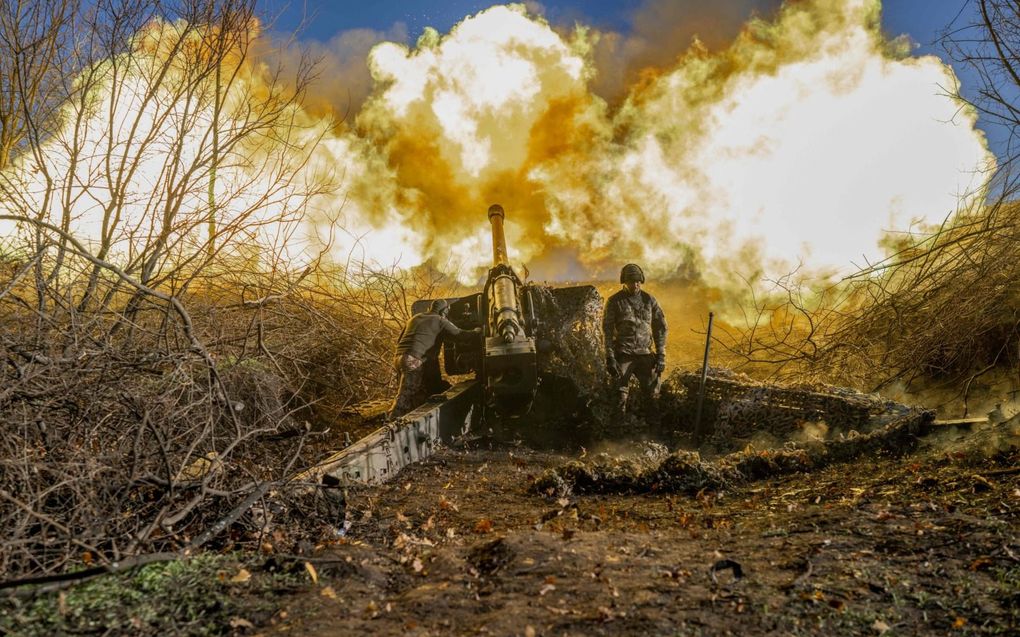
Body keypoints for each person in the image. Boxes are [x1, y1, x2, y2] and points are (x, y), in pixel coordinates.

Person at [387, 299, 479, 420]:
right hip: (413, 359)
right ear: (443, 311)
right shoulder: (440, 320)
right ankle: (391, 421)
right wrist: (476, 332)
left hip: (399, 358)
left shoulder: (415, 317)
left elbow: (401, 339)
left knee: (418, 392)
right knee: (408, 392)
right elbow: (460, 335)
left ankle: (406, 419)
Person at [603, 263, 668, 419]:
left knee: (653, 395)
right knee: (620, 396)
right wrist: (610, 357)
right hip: (624, 355)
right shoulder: (614, 301)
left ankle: (653, 432)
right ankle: (617, 434)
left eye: (638, 281)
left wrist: (661, 355)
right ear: (624, 282)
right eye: (631, 281)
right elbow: (607, 331)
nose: (635, 284)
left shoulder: (649, 300)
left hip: (645, 355)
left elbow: (660, 328)